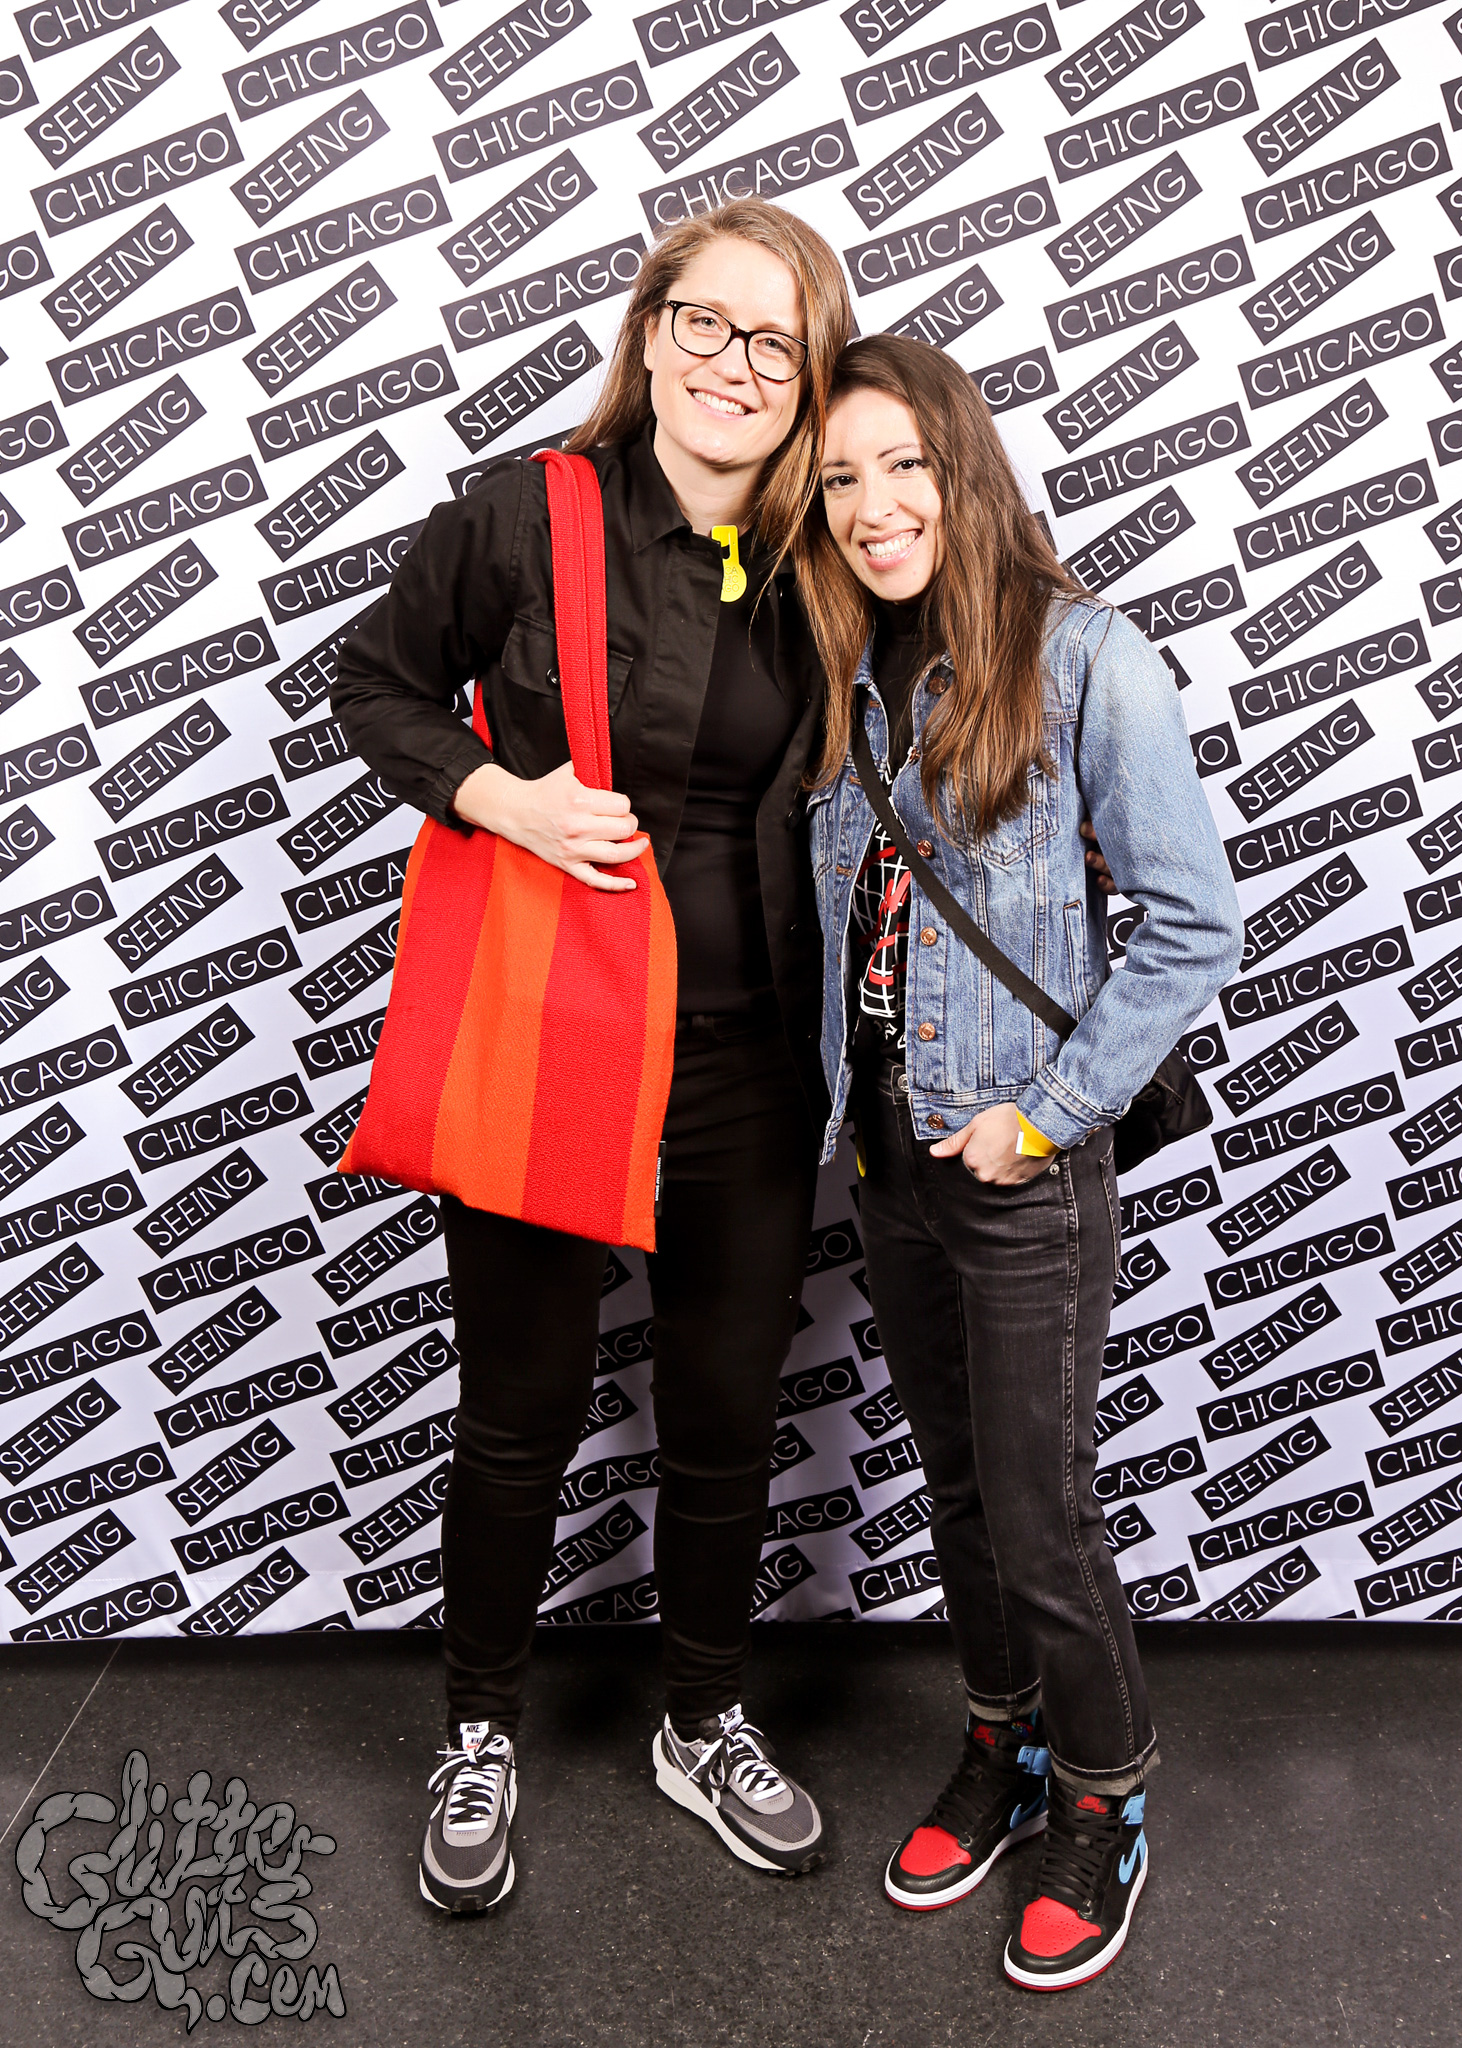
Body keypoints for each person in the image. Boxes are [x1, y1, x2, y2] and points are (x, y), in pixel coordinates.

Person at [332, 200, 853, 1911]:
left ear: (809, 381)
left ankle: (701, 1718)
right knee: (522, 1412)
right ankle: (478, 1729)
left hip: (751, 1065)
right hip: (554, 1037)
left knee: (724, 1413)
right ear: (648, 333)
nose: (732, 364)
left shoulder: (831, 553)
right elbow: (375, 685)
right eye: (704, 323)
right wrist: (498, 795)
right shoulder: (522, 515)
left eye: (774, 342)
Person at [799, 336, 1241, 1990]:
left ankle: (1104, 1800)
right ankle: (1005, 1741)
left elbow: (1191, 925)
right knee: (962, 1492)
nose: (871, 506)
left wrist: (1044, 1114)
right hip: (886, 1162)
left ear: (963, 468)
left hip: (1017, 1166)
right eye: (838, 480)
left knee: (1043, 1515)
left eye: (902, 465)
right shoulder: (844, 672)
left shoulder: (1086, 658)